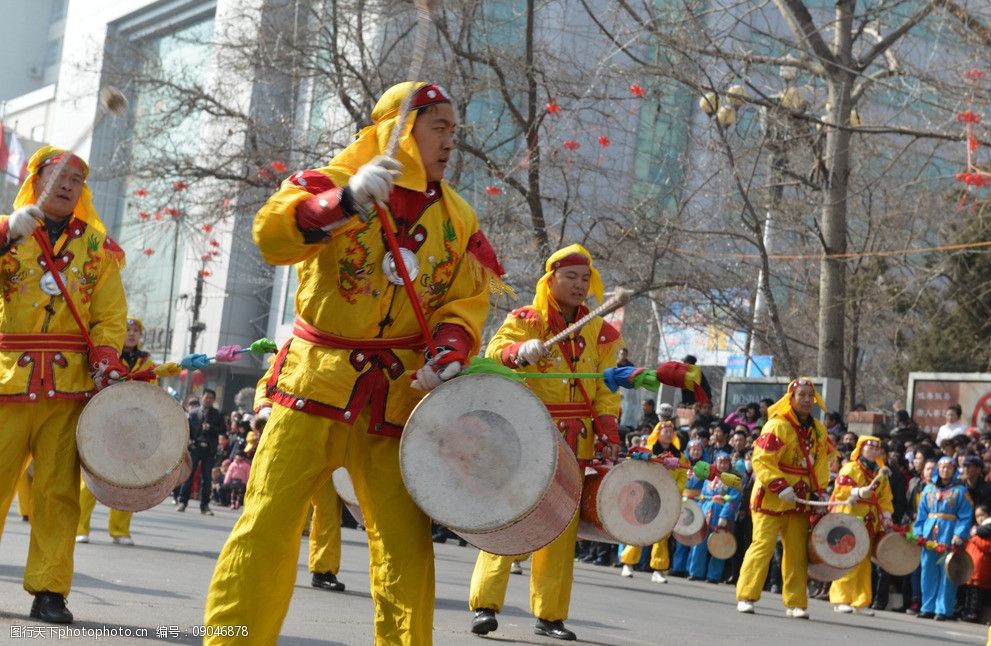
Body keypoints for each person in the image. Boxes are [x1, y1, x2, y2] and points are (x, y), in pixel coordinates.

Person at [203, 81, 504, 646]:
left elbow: (464, 303)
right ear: (401, 130)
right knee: (264, 531)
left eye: (453, 130)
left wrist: (450, 350)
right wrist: (343, 204)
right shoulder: (331, 184)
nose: (450, 142)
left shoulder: (458, 218)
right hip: (312, 388)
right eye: (438, 127)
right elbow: (272, 235)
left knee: (406, 552)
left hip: (399, 404)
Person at [468, 243, 621, 642]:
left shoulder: (602, 332)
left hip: (576, 441)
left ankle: (550, 614)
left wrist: (610, 431)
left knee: (561, 528)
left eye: (585, 278)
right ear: (550, 279)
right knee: (508, 517)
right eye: (570, 276)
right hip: (529, 435)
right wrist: (520, 351)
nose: (579, 284)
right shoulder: (528, 319)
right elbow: (495, 352)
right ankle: (485, 605)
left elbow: (606, 390)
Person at [0, 146, 128, 624]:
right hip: (7, 379)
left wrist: (107, 358)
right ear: (36, 181)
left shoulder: (98, 249)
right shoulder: (10, 233)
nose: (70, 184)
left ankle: (50, 590)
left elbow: (110, 315)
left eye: (78, 178)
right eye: (60, 175)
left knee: (58, 493)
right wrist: (6, 233)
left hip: (68, 388)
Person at [735, 378, 830, 619]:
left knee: (797, 552)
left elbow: (820, 463)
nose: (808, 400)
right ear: (791, 398)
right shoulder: (777, 425)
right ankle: (747, 595)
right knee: (763, 546)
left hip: (799, 498)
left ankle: (796, 602)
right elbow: (762, 459)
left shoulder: (819, 429)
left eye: (811, 395)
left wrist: (819, 490)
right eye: (802, 395)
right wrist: (779, 485)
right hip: (771, 496)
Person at [76, 316, 154, 546]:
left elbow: (153, 388)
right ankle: (80, 527)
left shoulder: (146, 360)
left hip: (133, 425)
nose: (131, 334)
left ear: (140, 335)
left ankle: (119, 530)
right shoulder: (107, 356)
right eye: (127, 329)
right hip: (105, 420)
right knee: (92, 477)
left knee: (128, 479)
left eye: (135, 331)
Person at [828, 436, 894, 615]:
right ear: (861, 449)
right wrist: (857, 491)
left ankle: (860, 601)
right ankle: (841, 598)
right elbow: (840, 490)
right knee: (847, 558)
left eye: (876, 449)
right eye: (869, 448)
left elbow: (885, 497)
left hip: (870, 519)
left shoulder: (881, 473)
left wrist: (887, 516)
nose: (873, 451)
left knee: (864, 561)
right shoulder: (850, 468)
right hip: (851, 515)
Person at [914, 455, 973, 620]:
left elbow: (966, 515)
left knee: (947, 571)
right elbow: (921, 513)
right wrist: (918, 532)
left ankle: (943, 609)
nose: (944, 470)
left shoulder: (961, 491)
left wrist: (959, 534)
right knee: (928, 570)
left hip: (949, 532)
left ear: (954, 470)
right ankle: (927, 606)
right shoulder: (929, 489)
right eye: (941, 467)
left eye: (949, 467)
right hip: (929, 533)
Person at [687, 451, 741, 583]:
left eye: (725, 462)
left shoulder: (733, 480)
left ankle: (714, 575)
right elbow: (701, 496)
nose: (722, 465)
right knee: (699, 543)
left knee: (719, 544)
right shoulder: (709, 477)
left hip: (720, 512)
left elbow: (733, 500)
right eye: (720, 462)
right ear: (715, 462)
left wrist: (724, 516)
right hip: (706, 511)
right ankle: (696, 572)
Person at [178, 388, 224, 515]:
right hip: (195, 448)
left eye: (211, 398)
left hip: (209, 449)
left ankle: (205, 506)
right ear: (201, 397)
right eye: (206, 397)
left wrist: (211, 428)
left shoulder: (217, 414)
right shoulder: (193, 414)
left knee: (207, 478)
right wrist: (190, 443)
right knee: (189, 475)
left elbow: (223, 430)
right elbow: (186, 431)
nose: (208, 399)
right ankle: (183, 502)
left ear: (214, 400)